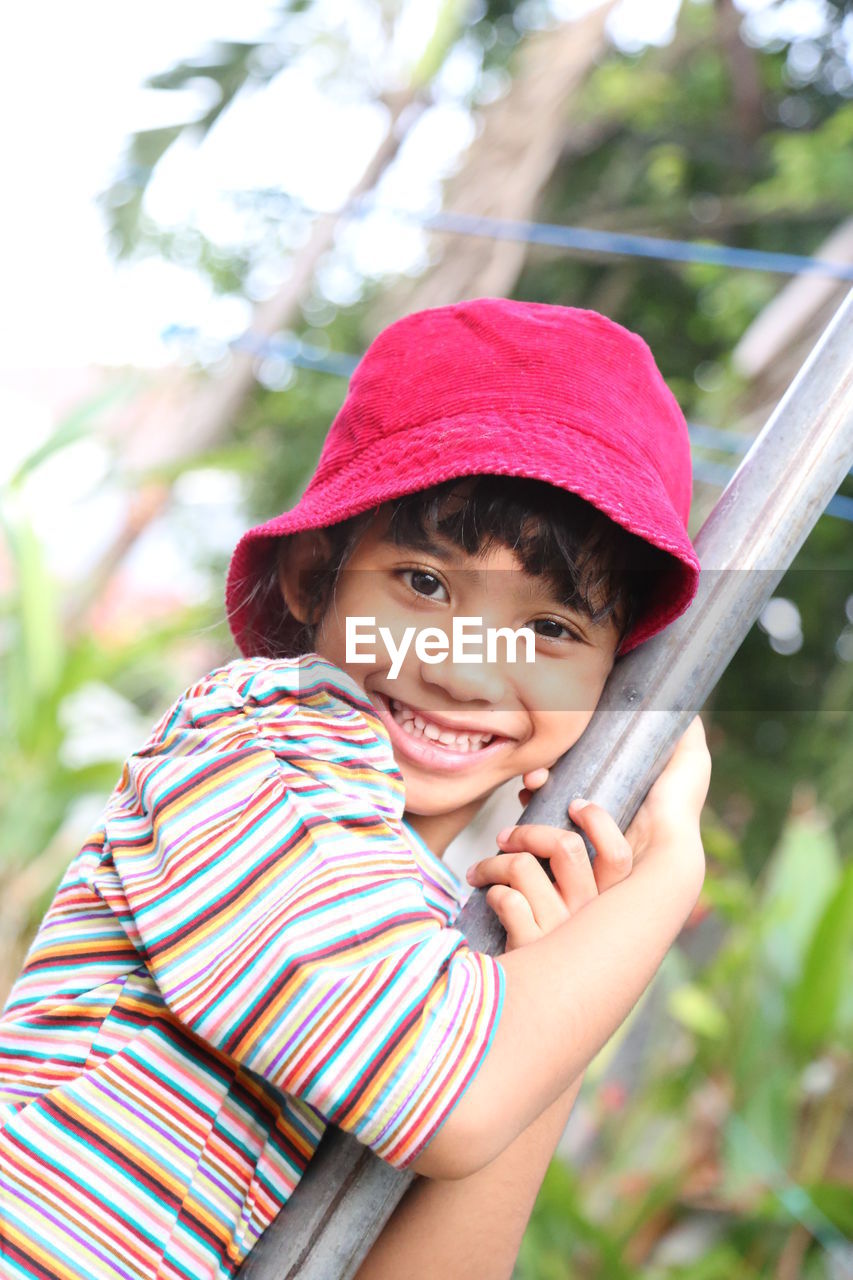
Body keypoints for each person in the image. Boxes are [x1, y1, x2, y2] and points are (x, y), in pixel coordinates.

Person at [0, 297, 711, 1280]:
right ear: (310, 577)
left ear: (607, 683)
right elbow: (455, 1102)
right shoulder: (254, 754)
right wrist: (668, 869)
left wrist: (549, 992)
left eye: (550, 628)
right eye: (425, 584)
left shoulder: (425, 923)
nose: (465, 668)